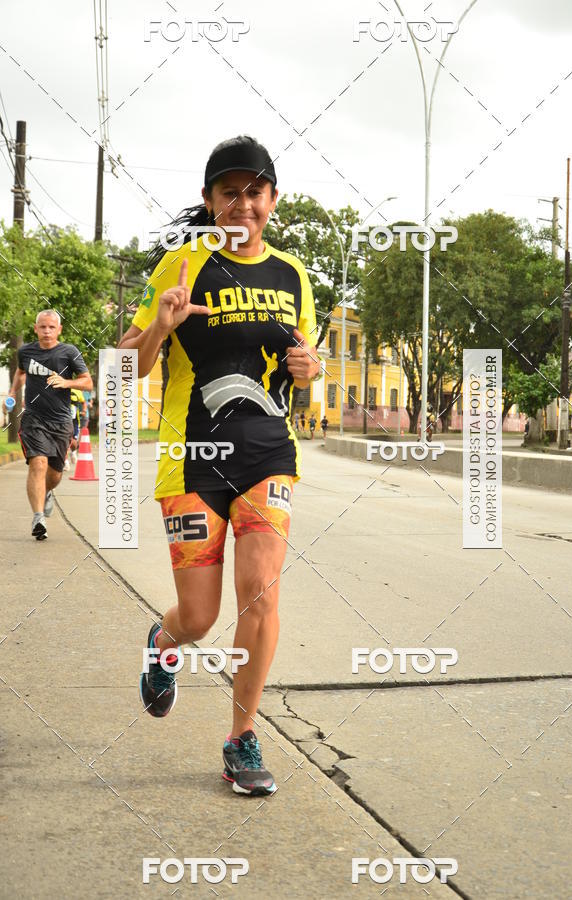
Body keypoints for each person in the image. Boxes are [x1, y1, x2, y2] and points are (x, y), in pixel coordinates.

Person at [118, 135, 320, 796]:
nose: (242, 205)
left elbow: (303, 361)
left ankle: (240, 738)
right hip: (191, 458)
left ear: (272, 200)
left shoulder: (292, 275)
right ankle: (163, 643)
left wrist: (309, 369)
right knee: (198, 617)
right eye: (228, 192)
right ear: (209, 201)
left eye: (254, 192)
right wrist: (161, 327)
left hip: (267, 453)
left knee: (260, 592)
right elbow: (128, 366)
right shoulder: (181, 264)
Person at [5, 310, 93, 540]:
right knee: (38, 463)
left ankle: (46, 493)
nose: (46, 331)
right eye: (42, 327)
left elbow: (87, 381)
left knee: (54, 476)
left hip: (61, 421)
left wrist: (66, 382)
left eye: (51, 327)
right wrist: (13, 391)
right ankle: (38, 518)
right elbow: (20, 372)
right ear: (36, 329)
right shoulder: (25, 351)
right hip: (34, 418)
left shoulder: (69, 352)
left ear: (59, 330)